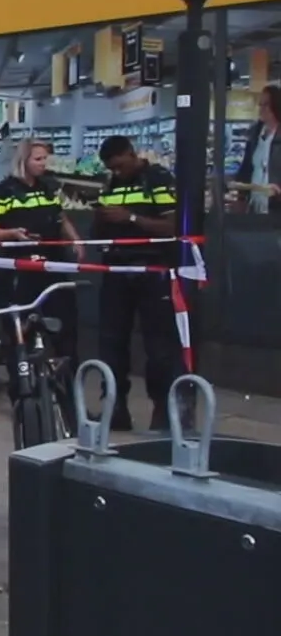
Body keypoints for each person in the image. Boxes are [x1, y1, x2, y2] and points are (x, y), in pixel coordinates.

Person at [0, 138, 82, 428]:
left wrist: (74, 239)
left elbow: (60, 216)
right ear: (24, 160)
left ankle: (69, 400)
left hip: (53, 264)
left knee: (65, 331)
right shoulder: (5, 191)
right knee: (19, 332)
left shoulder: (50, 187)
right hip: (20, 269)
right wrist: (12, 234)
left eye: (45, 158)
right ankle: (21, 397)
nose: (43, 164)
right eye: (38, 159)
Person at [93, 136, 182, 431]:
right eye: (111, 169)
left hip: (152, 270)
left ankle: (163, 410)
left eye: (119, 166)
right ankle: (115, 407)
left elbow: (172, 226)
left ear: (131, 154)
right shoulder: (111, 185)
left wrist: (129, 217)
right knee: (111, 342)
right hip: (116, 269)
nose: (116, 173)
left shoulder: (157, 178)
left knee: (159, 346)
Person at [232, 84, 281, 214]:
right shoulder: (255, 134)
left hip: (276, 208)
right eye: (260, 104)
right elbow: (246, 168)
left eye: (266, 105)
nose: (261, 109)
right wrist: (241, 196)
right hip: (254, 204)